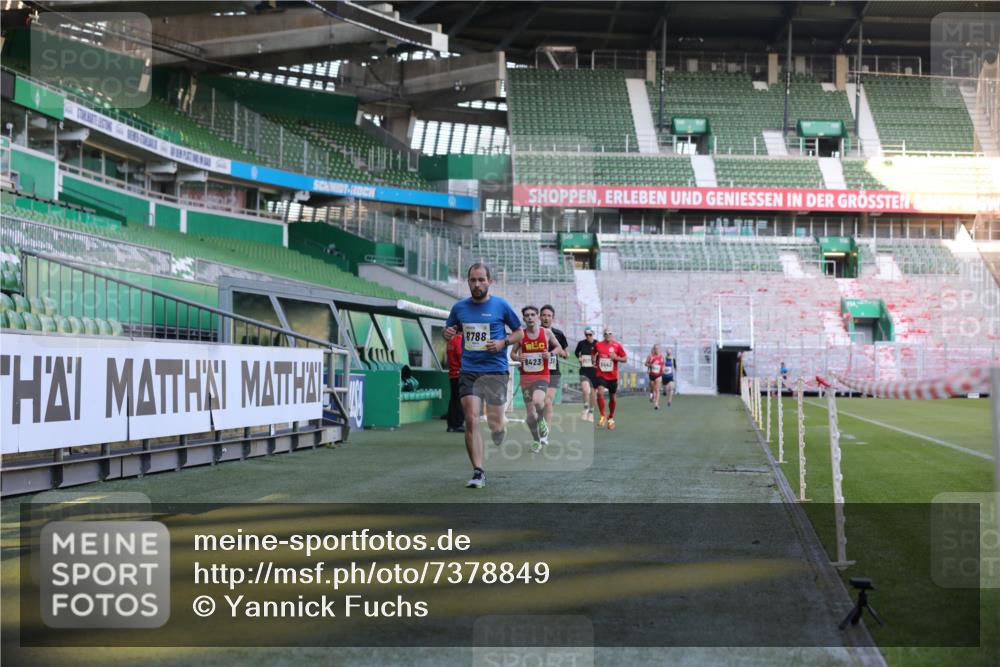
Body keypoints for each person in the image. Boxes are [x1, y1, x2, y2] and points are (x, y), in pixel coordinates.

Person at [443, 262, 524, 489]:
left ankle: (500, 429)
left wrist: (503, 342)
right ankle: (478, 471)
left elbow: (519, 332)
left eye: (481, 280)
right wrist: (447, 332)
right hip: (469, 370)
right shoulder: (459, 308)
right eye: (473, 280)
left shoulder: (501, 306)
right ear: (468, 282)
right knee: (471, 418)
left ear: (490, 282)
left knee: (495, 423)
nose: (477, 284)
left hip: (495, 370)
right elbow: (448, 330)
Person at [512, 305, 566, 453]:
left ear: (537, 317)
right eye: (527, 315)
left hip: (542, 375)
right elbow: (512, 354)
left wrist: (550, 354)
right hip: (526, 378)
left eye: (532, 314)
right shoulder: (520, 335)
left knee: (538, 401)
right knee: (530, 416)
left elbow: (559, 348)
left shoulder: (546, 332)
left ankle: (542, 421)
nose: (530, 317)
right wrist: (518, 357)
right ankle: (537, 440)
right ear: (524, 318)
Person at [539, 304, 569, 427]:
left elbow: (566, 354)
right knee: (538, 402)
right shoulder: (534, 332)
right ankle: (540, 422)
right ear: (540, 317)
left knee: (548, 400)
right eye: (544, 315)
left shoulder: (558, 334)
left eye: (549, 316)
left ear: (553, 318)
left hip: (553, 372)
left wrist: (558, 352)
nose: (546, 318)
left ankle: (545, 431)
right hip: (537, 372)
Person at [593, 328, 627, 429]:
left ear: (612, 335)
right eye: (606, 333)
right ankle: (602, 416)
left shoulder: (617, 345)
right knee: (600, 393)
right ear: (603, 335)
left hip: (612, 376)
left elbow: (625, 358)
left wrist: (616, 358)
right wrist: (593, 361)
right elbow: (593, 353)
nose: (608, 335)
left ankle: (611, 418)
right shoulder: (598, 345)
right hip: (601, 374)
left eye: (610, 333)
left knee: (612, 397)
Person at [574, 327, 598, 422]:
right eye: (586, 334)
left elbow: (602, 354)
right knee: (585, 389)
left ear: (593, 334)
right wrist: (579, 357)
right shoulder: (581, 343)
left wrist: (597, 360)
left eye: (590, 334)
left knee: (593, 393)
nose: (588, 336)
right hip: (584, 370)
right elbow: (576, 352)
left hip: (594, 371)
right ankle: (585, 407)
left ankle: (591, 412)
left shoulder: (597, 344)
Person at [445, 333, 464, 432]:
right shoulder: (460, 339)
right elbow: (460, 355)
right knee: (459, 400)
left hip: (453, 373)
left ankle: (451, 425)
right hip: (459, 373)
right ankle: (458, 424)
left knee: (454, 399)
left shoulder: (451, 340)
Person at [645, 344, 664, 410]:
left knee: (657, 389)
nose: (657, 350)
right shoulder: (650, 356)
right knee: (652, 388)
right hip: (652, 375)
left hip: (658, 375)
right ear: (654, 349)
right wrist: (650, 365)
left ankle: (656, 404)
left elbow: (663, 364)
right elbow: (645, 364)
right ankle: (651, 395)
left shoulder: (661, 357)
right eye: (655, 348)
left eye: (658, 348)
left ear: (660, 349)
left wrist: (663, 369)